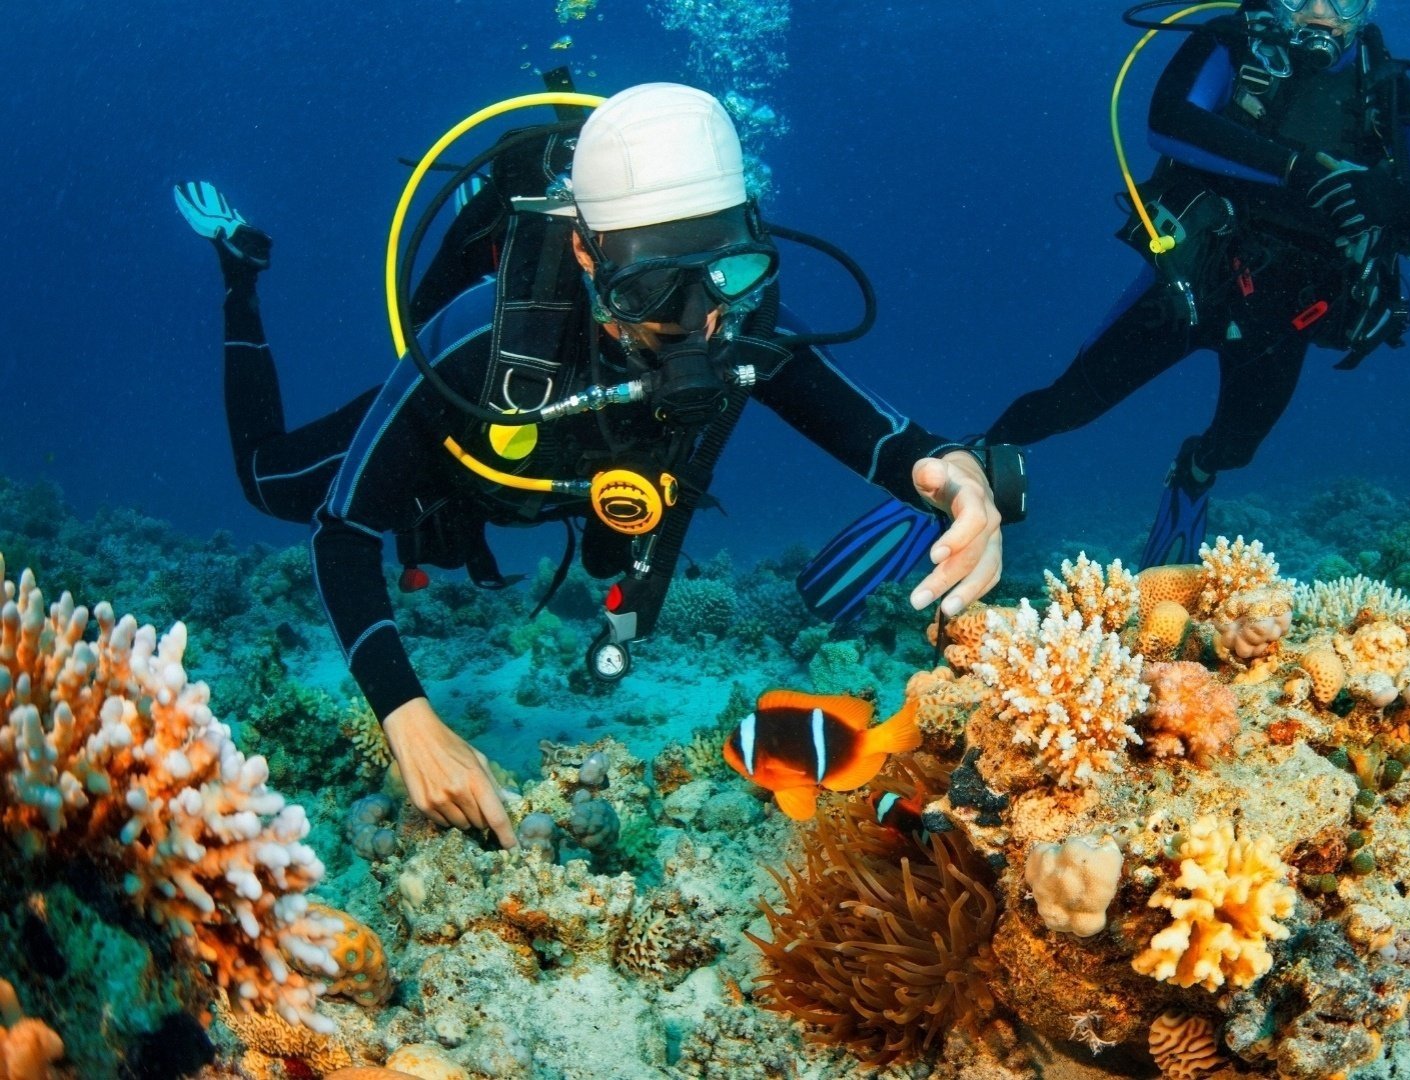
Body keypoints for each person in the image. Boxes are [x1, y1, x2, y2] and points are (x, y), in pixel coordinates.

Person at [176, 83, 1019, 848]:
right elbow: (344, 531)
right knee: (270, 483)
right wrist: (406, 715)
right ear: (587, 255)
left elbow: (891, 442)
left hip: (601, 488)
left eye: (724, 271)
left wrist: (960, 477)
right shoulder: (477, 340)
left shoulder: (745, 322)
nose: (697, 322)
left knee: (634, 530)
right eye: (651, 288)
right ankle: (238, 274)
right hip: (458, 465)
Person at [795, 0, 1410, 615]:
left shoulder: (1391, 97)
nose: (1321, 12)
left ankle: (1192, 477)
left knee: (1237, 443)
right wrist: (1298, 168)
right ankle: (955, 479)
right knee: (1064, 404)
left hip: (1290, 317)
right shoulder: (1231, 45)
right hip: (1193, 286)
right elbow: (1168, 122)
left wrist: (1408, 201)